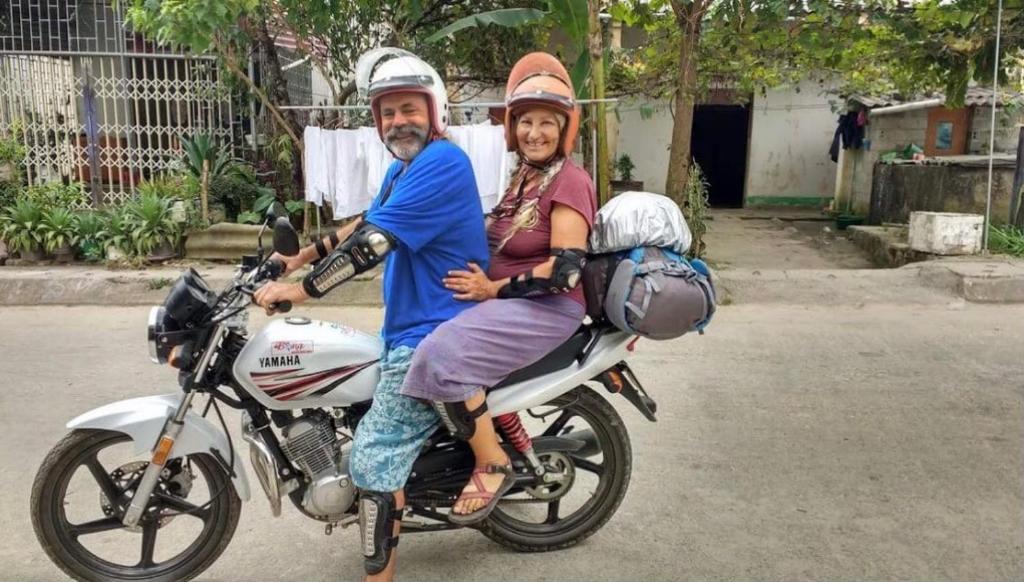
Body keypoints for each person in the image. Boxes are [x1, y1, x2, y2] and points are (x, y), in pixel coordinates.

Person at [254, 49, 489, 581]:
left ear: (435, 112)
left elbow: (372, 245)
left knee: (371, 459)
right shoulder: (402, 169)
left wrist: (300, 291)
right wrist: (300, 256)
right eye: (387, 113)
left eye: (409, 109)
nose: (397, 121)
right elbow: (361, 223)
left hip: (434, 328)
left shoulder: (443, 163)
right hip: (409, 323)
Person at [400, 52, 596, 525]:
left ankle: (492, 461)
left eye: (547, 123)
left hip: (548, 307)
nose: (534, 132)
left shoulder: (570, 181)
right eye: (525, 121)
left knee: (440, 354)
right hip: (509, 299)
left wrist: (491, 289)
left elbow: (566, 268)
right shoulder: (524, 177)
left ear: (565, 128)